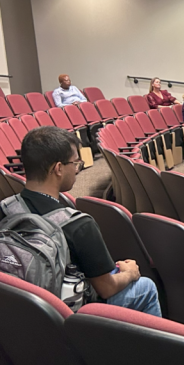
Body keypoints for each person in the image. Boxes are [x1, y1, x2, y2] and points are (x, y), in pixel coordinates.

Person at [9, 126, 161, 316]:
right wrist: (130, 273)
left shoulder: (5, 208)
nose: (77, 169)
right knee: (145, 287)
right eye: (75, 163)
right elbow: (106, 288)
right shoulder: (77, 224)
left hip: (25, 307)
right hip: (69, 316)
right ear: (58, 169)